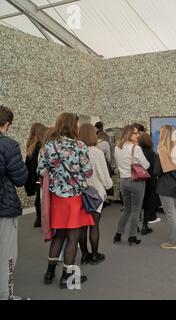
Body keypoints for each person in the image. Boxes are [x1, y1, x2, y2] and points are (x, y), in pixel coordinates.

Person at [37, 113, 94, 289]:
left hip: (57, 200)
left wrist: (57, 175)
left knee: (59, 235)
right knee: (73, 239)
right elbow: (88, 172)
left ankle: (49, 273)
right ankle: (66, 279)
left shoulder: (49, 146)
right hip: (75, 199)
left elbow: (40, 170)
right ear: (73, 126)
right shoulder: (80, 146)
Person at [0, 106, 29, 300]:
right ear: (6, 124)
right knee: (7, 256)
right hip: (4, 206)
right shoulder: (8, 145)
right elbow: (20, 179)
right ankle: (6, 295)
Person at [78, 123, 113, 264]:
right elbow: (105, 177)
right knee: (94, 225)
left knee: (81, 227)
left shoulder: (76, 151)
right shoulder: (97, 152)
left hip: (80, 193)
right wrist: (109, 186)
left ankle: (84, 255)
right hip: (96, 193)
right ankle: (94, 255)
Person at [113, 125, 150, 246]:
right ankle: (132, 236)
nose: (138, 135)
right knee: (136, 210)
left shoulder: (118, 147)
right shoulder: (136, 148)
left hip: (123, 181)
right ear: (129, 134)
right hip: (136, 181)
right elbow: (146, 165)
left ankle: (118, 234)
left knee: (126, 209)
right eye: (135, 133)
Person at [153, 125, 176, 249]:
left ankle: (173, 242)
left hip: (165, 186)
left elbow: (156, 172)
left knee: (170, 213)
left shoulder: (161, 151)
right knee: (174, 211)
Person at [24, 122, 47, 227]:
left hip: (35, 179)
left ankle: (39, 218)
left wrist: (29, 186)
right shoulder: (40, 147)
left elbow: (27, 167)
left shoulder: (31, 147)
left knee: (39, 198)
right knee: (42, 199)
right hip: (40, 178)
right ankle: (41, 219)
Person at [138, 133, 160, 236]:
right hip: (151, 181)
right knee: (148, 204)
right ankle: (145, 226)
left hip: (138, 180)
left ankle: (135, 226)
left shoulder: (137, 152)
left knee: (137, 204)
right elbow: (156, 170)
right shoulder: (153, 154)